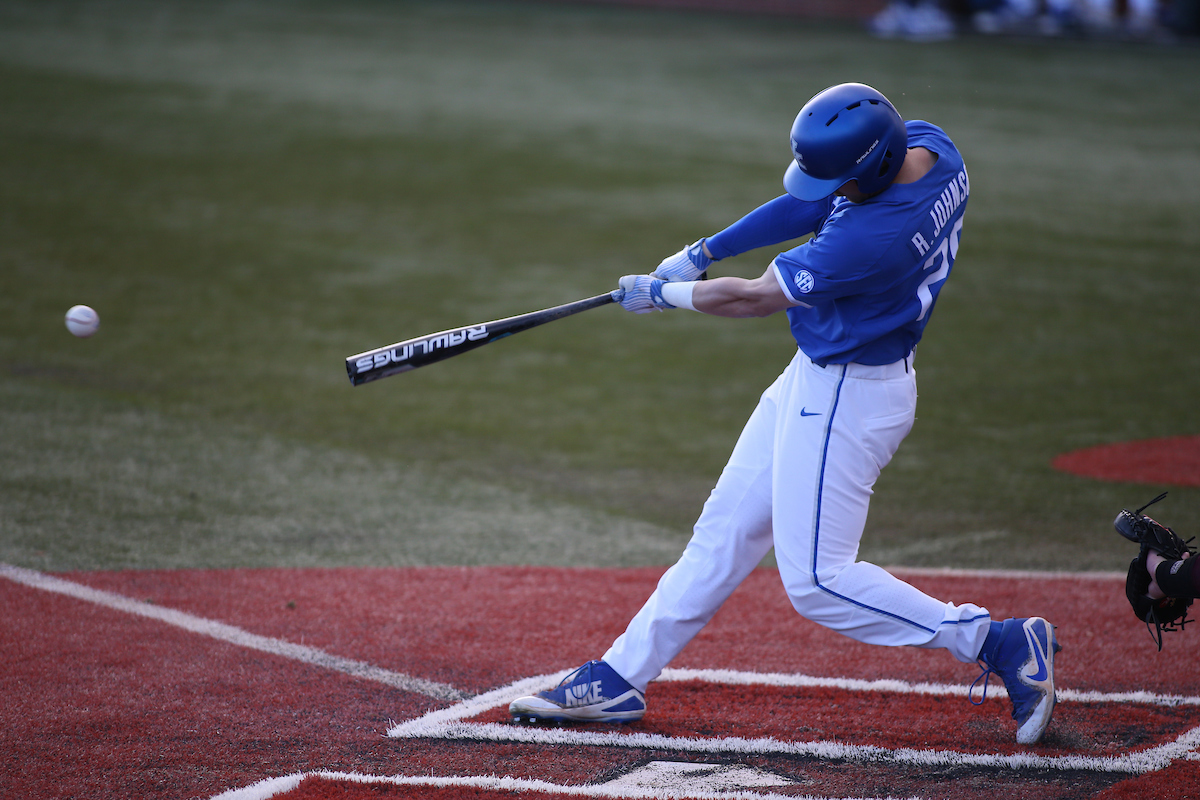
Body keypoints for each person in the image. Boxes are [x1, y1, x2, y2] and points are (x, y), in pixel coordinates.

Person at [509, 83, 1061, 745]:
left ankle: (1000, 643)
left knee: (820, 582)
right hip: (821, 383)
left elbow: (754, 299)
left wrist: (665, 294)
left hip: (846, 400)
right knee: (726, 531)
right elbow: (811, 201)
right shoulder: (930, 147)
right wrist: (704, 249)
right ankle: (620, 678)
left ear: (870, 167)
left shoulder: (870, 238)